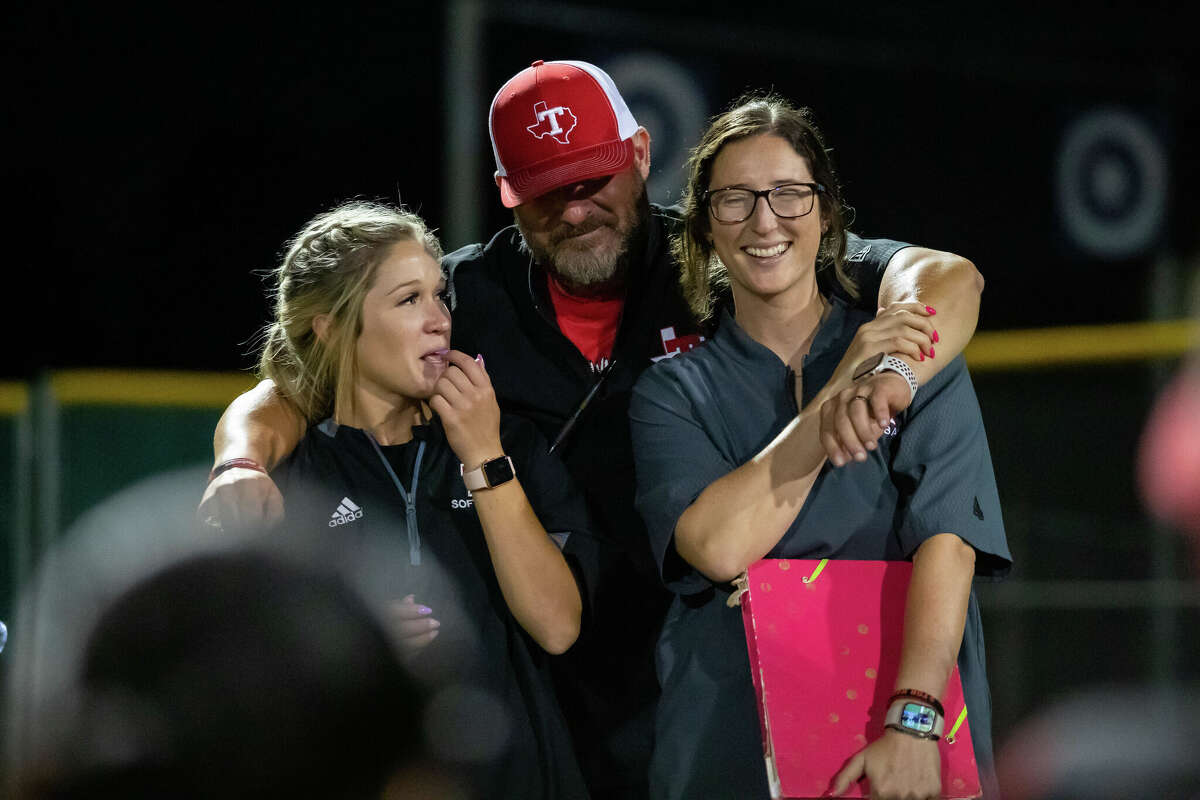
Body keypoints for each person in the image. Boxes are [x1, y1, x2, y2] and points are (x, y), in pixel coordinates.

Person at [198, 60, 987, 798]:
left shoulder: (728, 251)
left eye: (592, 178)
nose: (576, 208)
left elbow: (943, 277)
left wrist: (887, 375)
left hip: (721, 664)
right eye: (546, 190)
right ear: (507, 192)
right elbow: (298, 382)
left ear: (641, 155)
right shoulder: (465, 297)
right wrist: (240, 463)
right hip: (554, 689)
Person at [628, 94, 1012, 800]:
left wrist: (915, 721)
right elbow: (715, 547)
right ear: (707, 228)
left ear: (827, 211)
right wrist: (837, 391)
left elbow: (950, 539)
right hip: (728, 739)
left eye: (788, 195)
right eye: (735, 200)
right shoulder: (673, 392)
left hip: (899, 732)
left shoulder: (912, 352)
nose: (764, 221)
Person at [234, 201, 594, 798]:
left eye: (439, 295)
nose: (440, 320)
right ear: (332, 326)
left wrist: (483, 459)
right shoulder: (290, 477)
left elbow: (558, 626)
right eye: (408, 301)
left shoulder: (508, 445)